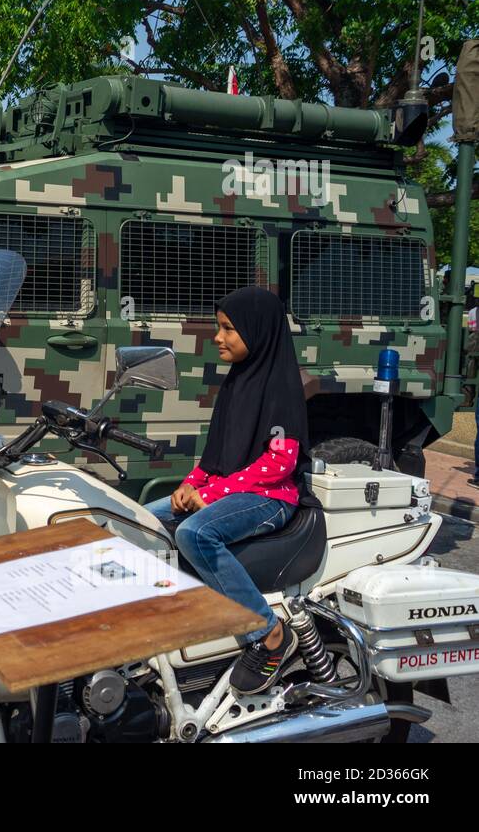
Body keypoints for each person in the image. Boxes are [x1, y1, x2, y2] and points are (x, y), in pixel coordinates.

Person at [145, 286, 307, 695]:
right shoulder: (237, 382)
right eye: (219, 327)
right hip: (227, 490)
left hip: (272, 498)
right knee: (136, 521)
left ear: (256, 331)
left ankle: (269, 634)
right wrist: (190, 484)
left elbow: (280, 464)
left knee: (195, 533)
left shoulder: (281, 386)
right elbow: (217, 454)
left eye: (228, 329)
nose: (218, 337)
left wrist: (213, 495)